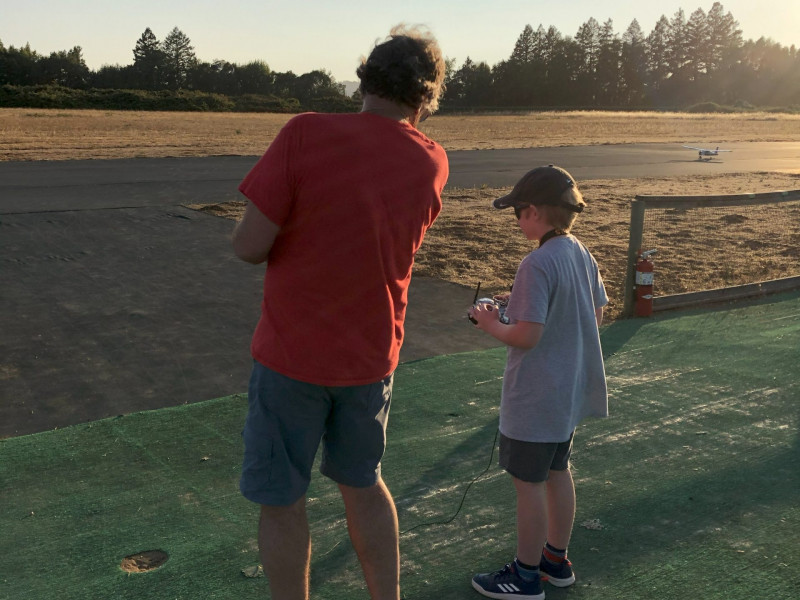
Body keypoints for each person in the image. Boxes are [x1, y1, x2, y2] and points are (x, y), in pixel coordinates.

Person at [231, 25, 448, 600]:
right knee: (364, 484)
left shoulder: (305, 133)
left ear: (365, 77)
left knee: (281, 501)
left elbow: (249, 246)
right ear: (426, 97)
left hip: (291, 356)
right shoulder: (432, 161)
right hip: (370, 359)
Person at [467, 165, 608, 600]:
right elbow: (595, 311)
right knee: (557, 472)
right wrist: (522, 303)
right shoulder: (579, 251)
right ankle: (555, 560)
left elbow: (526, 336)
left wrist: (489, 322)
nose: (517, 221)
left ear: (533, 212)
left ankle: (525, 576)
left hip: (535, 398)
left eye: (518, 212)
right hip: (566, 394)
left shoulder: (536, 262)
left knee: (527, 485)